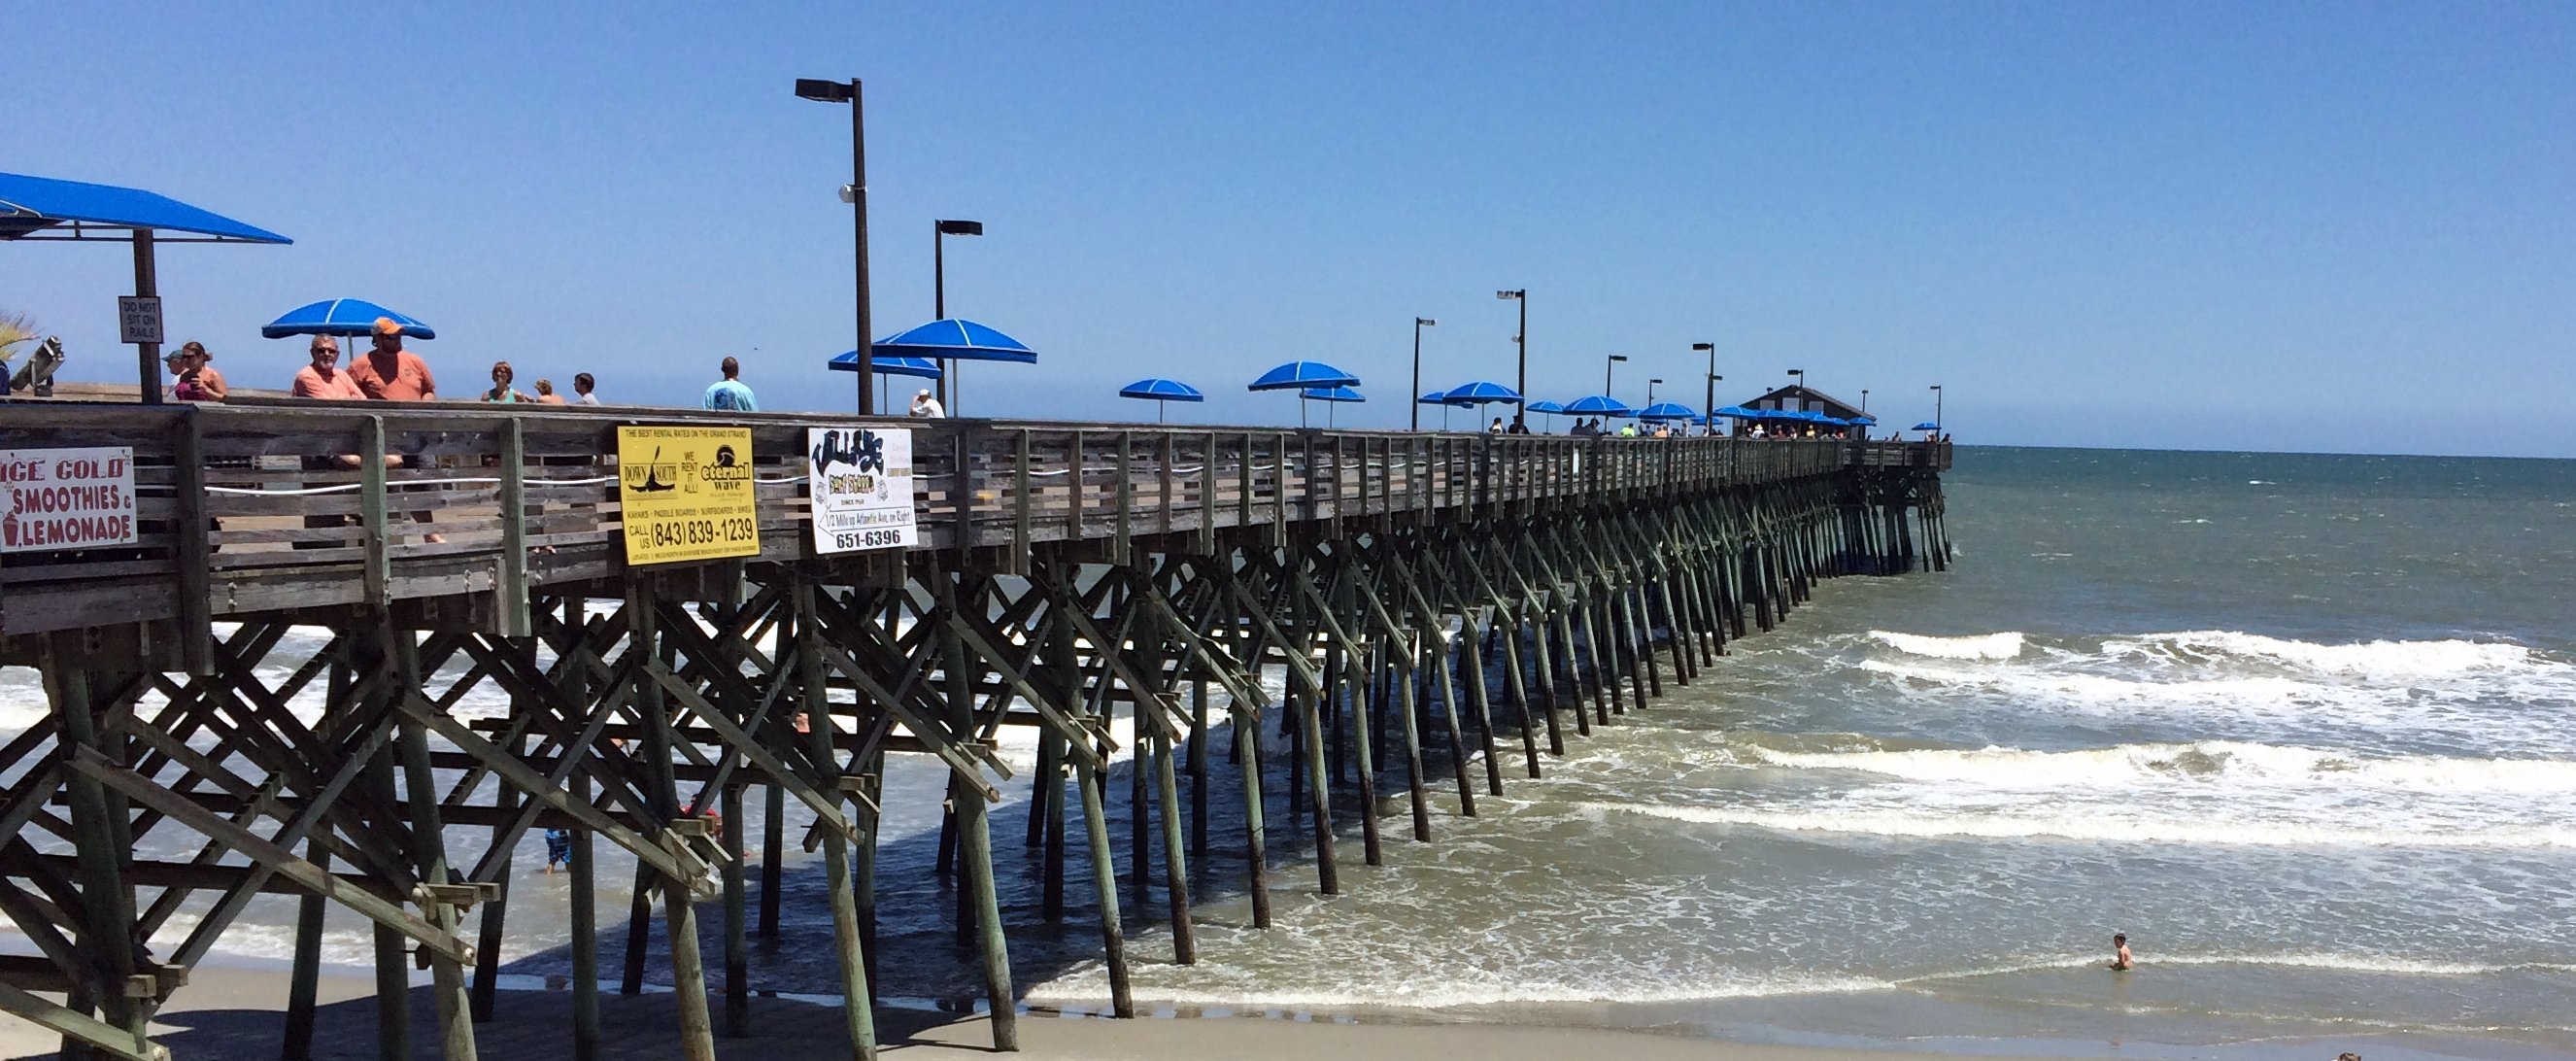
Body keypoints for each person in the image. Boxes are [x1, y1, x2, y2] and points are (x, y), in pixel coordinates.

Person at [348, 318, 436, 401]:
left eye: (398, 335)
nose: (397, 340)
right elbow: (349, 393)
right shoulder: (360, 364)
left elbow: (429, 392)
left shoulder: (415, 361)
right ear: (377, 339)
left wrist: (424, 405)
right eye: (391, 337)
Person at [289, 336, 366, 400]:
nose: (327, 354)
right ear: (312, 353)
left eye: (331, 351)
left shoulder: (342, 374)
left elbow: (363, 400)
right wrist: (350, 398)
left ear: (337, 354)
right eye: (321, 351)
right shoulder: (306, 376)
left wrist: (341, 399)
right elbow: (328, 406)